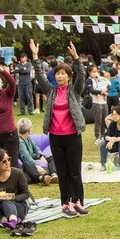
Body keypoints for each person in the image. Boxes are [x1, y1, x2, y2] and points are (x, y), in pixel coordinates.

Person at [31, 38, 90, 218]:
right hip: (55, 137)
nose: (60, 76)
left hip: (73, 136)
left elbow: (82, 76)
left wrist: (76, 58)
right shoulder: (51, 91)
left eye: (64, 74)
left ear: (68, 76)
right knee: (62, 172)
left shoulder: (74, 90)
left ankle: (77, 201)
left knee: (75, 172)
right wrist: (34, 56)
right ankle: (65, 203)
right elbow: (40, 76)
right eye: (57, 74)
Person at [16, 118, 55, 184]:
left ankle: (54, 174)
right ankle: (41, 177)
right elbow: (26, 157)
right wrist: (37, 166)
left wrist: (41, 156)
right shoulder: (20, 142)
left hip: (32, 157)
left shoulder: (28, 138)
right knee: (26, 164)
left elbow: (36, 148)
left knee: (52, 157)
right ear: (28, 129)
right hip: (27, 161)